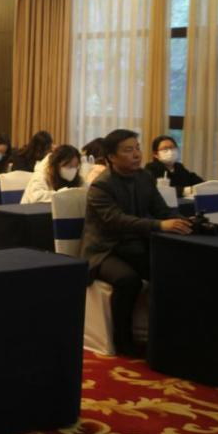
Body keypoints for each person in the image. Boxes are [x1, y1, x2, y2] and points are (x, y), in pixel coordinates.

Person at [80, 129, 191, 356]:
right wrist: (160, 225)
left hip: (135, 245)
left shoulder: (144, 177)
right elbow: (117, 221)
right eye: (128, 150)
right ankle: (123, 339)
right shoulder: (101, 186)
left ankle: (165, 333)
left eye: (137, 148)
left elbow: (161, 210)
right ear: (112, 157)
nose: (136, 154)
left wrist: (182, 220)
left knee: (169, 270)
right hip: (105, 249)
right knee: (128, 280)